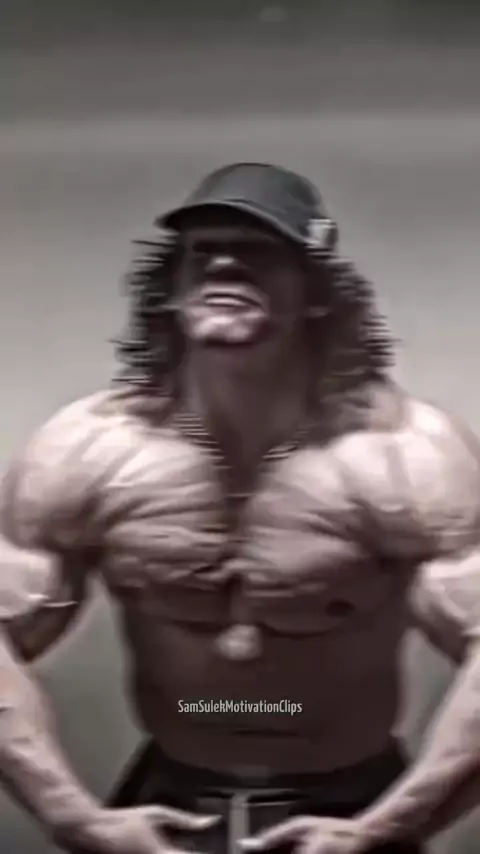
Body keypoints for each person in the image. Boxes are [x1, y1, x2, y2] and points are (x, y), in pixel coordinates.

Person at [1, 162, 480, 854]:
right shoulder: (85, 452)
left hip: (353, 802)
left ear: (316, 293)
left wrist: (389, 827)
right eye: (202, 252)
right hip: (167, 799)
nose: (223, 264)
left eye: (257, 252)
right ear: (172, 290)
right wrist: (72, 816)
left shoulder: (406, 457)